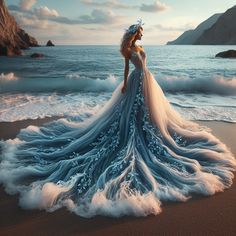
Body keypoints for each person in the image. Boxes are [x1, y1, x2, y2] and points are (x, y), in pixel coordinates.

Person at [0, 20, 236, 218]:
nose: (142, 35)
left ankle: (148, 128)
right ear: (134, 34)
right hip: (136, 81)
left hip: (148, 81)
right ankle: (135, 130)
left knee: (148, 113)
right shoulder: (128, 51)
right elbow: (126, 68)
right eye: (140, 32)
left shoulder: (138, 47)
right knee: (132, 112)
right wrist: (124, 84)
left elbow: (141, 65)